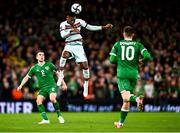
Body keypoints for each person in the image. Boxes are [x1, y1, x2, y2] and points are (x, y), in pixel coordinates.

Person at [57, 11, 113, 97]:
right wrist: (71, 31)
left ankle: (86, 84)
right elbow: (62, 35)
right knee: (64, 55)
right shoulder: (63, 24)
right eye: (71, 20)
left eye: (74, 20)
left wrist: (103, 27)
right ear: (67, 17)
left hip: (79, 46)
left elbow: (90, 27)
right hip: (69, 45)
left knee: (85, 66)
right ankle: (61, 75)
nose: (73, 21)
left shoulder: (79, 21)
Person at [109, 26, 151, 128]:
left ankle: (137, 100)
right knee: (126, 100)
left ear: (123, 34)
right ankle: (120, 123)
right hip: (134, 74)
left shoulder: (117, 45)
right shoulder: (138, 45)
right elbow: (148, 56)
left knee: (125, 97)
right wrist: (141, 61)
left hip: (122, 74)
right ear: (133, 35)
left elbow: (111, 60)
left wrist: (120, 60)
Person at [17, 51, 67, 124]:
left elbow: (59, 74)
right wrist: (21, 85)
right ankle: (45, 120)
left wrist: (64, 84)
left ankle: (59, 116)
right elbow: (26, 77)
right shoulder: (34, 68)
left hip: (51, 86)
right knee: (38, 101)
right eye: (40, 55)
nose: (42, 56)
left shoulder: (49, 65)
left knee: (52, 98)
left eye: (43, 55)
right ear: (37, 57)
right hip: (42, 88)